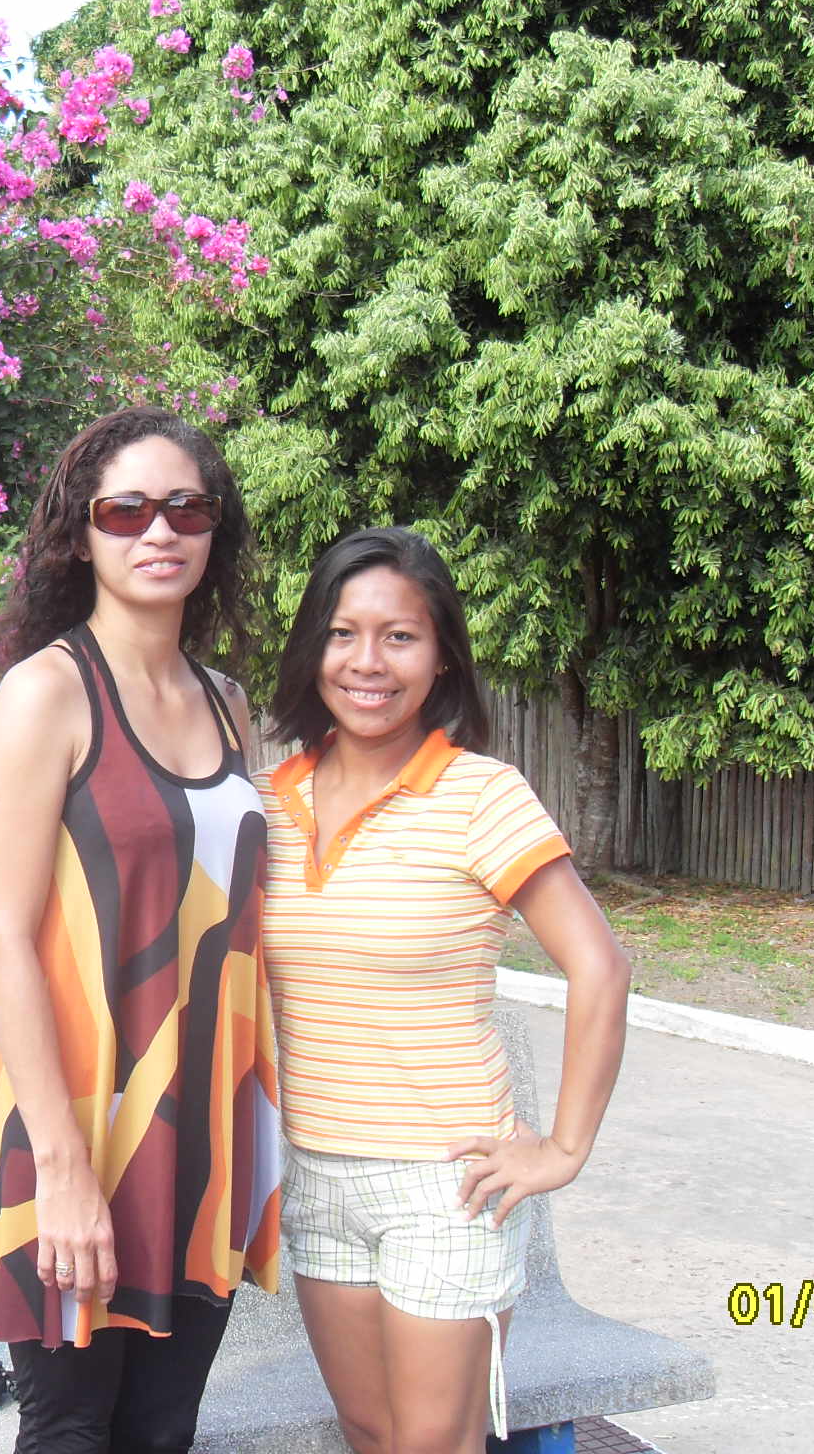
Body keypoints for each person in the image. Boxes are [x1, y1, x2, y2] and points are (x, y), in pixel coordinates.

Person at [261, 528, 631, 1454]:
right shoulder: (267, 801)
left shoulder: (482, 796)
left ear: (441, 660)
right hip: (314, 1172)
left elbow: (601, 965)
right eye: (343, 634)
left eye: (400, 637)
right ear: (312, 650)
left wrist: (563, 1147)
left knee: (433, 1443)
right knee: (369, 1431)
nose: (368, 662)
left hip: (445, 1183)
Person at [0, 405, 281, 1454]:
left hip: (202, 1124)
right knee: (69, 1429)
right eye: (126, 510)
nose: (159, 531)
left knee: (162, 1429)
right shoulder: (44, 696)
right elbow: (1, 937)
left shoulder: (228, 705)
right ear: (80, 533)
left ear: (215, 528)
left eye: (187, 507)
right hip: (78, 1123)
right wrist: (61, 1166)